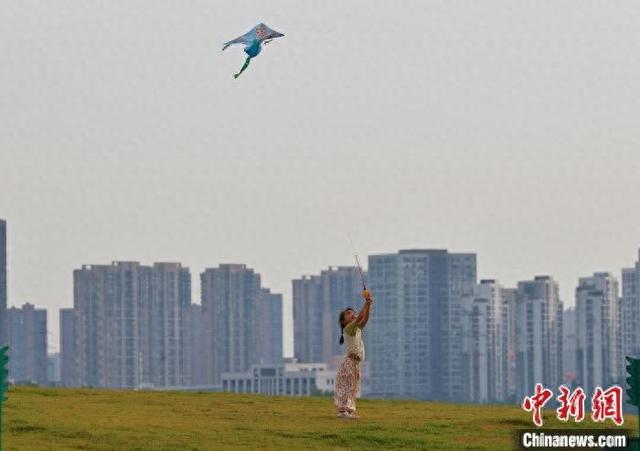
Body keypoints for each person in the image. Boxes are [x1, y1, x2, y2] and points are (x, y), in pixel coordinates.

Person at [334, 289, 373, 419]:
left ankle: (348, 411)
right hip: (350, 362)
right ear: (343, 321)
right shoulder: (348, 328)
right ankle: (343, 411)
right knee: (348, 386)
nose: (352, 314)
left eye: (353, 313)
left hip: (355, 363)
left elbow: (364, 319)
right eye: (349, 314)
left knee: (353, 387)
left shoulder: (355, 329)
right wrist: (366, 303)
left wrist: (368, 305)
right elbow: (360, 318)